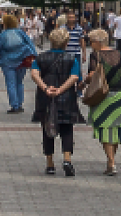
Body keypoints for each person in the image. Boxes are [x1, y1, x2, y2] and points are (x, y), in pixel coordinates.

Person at [83, 28, 121, 174]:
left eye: (91, 41)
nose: (90, 44)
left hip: (103, 96)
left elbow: (93, 74)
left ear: (97, 42)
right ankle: (111, 160)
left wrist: (85, 80)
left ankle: (111, 162)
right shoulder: (120, 54)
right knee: (116, 129)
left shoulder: (95, 55)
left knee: (105, 129)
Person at [31, 27, 83, 176]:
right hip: (66, 97)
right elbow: (74, 77)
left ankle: (50, 163)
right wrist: (61, 89)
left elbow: (34, 74)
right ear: (66, 42)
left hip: (45, 97)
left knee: (48, 129)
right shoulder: (72, 58)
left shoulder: (40, 58)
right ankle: (67, 159)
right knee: (67, 128)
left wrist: (46, 88)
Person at [0, 12, 37, 114]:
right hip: (21, 62)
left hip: (8, 63)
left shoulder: (2, 35)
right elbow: (30, 44)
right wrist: (35, 57)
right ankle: (19, 104)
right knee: (19, 83)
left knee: (11, 84)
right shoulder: (20, 33)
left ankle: (14, 105)